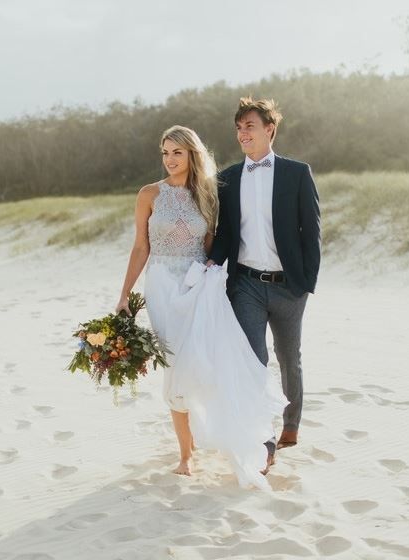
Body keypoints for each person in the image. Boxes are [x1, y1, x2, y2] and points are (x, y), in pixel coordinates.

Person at [115, 125, 287, 489]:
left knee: (203, 360)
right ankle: (185, 454)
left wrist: (219, 286)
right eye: (164, 152)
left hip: (198, 286)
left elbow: (213, 244)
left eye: (177, 152)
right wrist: (124, 295)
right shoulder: (149, 194)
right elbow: (140, 247)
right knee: (175, 362)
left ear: (192, 154)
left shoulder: (208, 194)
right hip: (162, 285)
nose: (170, 159)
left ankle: (214, 435)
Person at [206, 97, 321, 469]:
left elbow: (311, 232)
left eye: (250, 126)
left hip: (289, 286)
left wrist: (306, 283)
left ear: (270, 129)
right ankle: (263, 441)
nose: (243, 134)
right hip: (247, 286)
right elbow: (225, 233)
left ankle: (291, 425)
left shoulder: (297, 173)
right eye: (239, 128)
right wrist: (212, 264)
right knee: (253, 362)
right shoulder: (229, 178)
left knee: (290, 358)